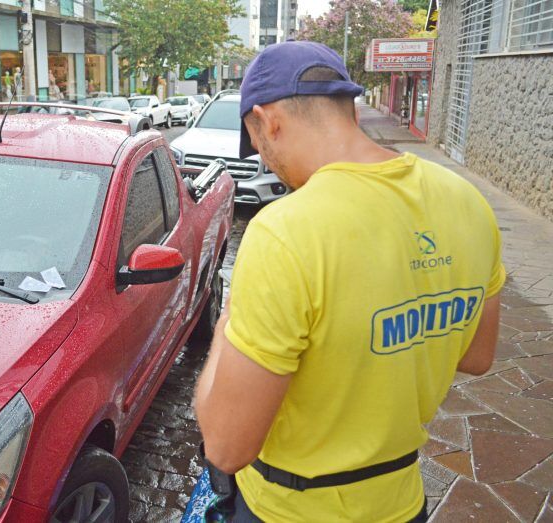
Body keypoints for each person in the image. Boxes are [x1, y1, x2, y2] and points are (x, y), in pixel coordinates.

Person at [194, 41, 504, 522]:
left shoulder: (286, 231)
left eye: (257, 143)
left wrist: (227, 324)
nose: (263, 158)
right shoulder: (467, 202)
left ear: (268, 120)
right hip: (401, 503)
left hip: (288, 511)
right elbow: (477, 356)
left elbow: (225, 447)